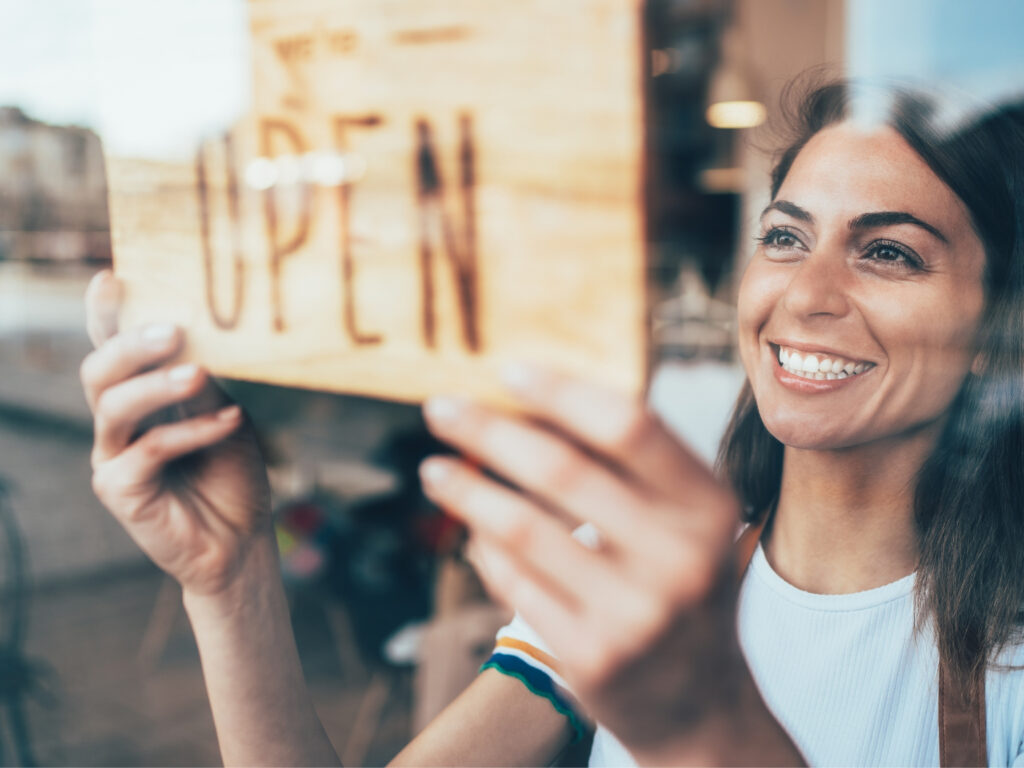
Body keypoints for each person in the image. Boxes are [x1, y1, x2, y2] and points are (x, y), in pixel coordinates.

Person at [80, 78, 1024, 766]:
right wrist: (233, 575)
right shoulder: (627, 573)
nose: (805, 295)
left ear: (996, 325)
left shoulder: (1010, 672)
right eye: (784, 237)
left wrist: (704, 723)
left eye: (890, 252)